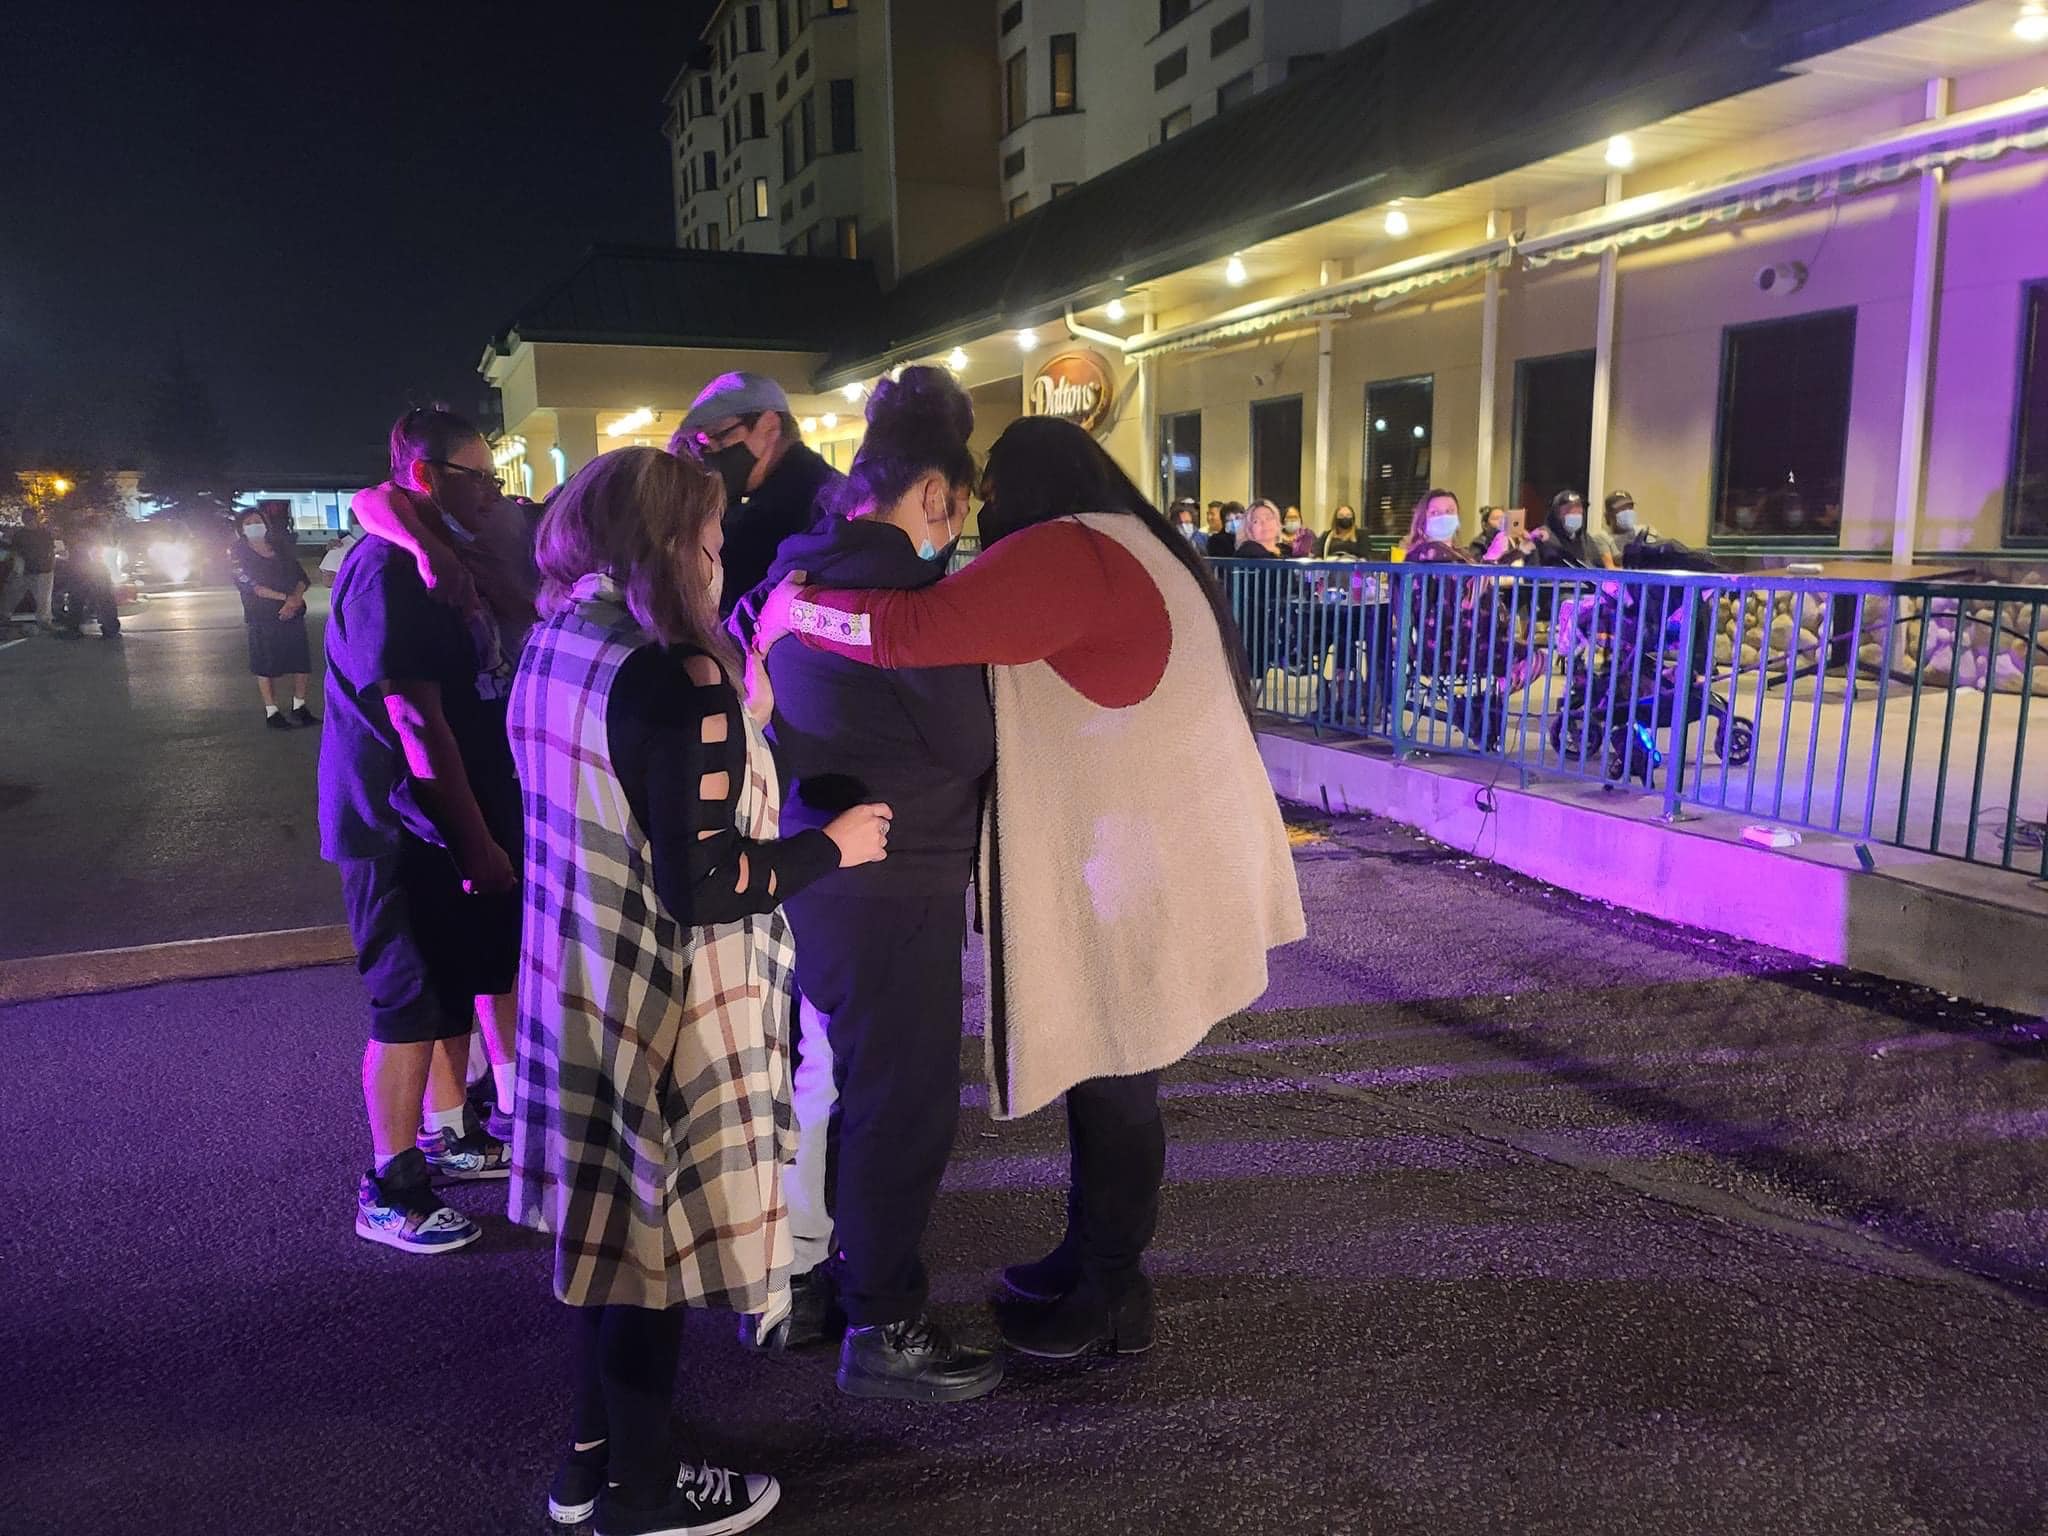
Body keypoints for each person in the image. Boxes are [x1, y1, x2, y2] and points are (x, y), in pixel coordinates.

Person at [753, 416, 1306, 1361]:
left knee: (1120, 1076)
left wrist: (792, 612)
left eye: (993, 493)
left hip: (1138, 858)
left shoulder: (1072, 552)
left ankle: (1110, 1290)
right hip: (1160, 845)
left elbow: (915, 629)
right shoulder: (1131, 540)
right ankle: (1091, 1257)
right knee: (1114, 1068)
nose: (980, 518)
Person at [510, 445, 888, 1536]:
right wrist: (836, 847)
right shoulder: (676, 679)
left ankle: (591, 1464)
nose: (722, 564)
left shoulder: (557, 642)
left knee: (606, 1243)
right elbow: (710, 881)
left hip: (573, 984)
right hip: (666, 1007)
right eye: (713, 544)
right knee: (653, 1265)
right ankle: (642, 1491)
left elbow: (633, 801)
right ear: (668, 549)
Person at [728, 366, 1002, 1403]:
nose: (958, 530)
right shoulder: (906, 596)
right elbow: (967, 740)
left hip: (815, 866)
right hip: (900, 880)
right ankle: (883, 1322)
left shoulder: (790, 580)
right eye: (960, 508)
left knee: (825, 1084)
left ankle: (796, 1282)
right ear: (932, 493)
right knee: (902, 1105)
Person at [319, 408, 521, 1258]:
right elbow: (411, 715)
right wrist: (475, 842)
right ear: (429, 477)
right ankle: (389, 1182)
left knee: (446, 983)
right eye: (477, 476)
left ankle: (447, 1131)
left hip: (439, 819)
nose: (492, 490)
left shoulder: (450, 549)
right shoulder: (389, 571)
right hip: (397, 825)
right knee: (404, 1003)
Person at [670, 372, 840, 616]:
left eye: (721, 436)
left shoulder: (776, 514)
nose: (712, 453)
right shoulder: (825, 487)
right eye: (706, 443)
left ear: (770, 426)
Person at [232, 505, 315, 728]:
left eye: (257, 521)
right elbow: (251, 585)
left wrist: (295, 599)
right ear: (241, 529)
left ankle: (300, 706)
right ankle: (272, 711)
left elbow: (301, 577)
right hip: (262, 616)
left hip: (293, 612)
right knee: (265, 664)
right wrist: (285, 599)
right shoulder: (238, 554)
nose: (253, 526)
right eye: (247, 523)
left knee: (300, 661)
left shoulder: (280, 548)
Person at [1529, 490, 1614, 569]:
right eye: (1568, 509)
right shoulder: (1542, 537)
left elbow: (1600, 570)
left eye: (1578, 507)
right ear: (1556, 513)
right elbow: (1531, 574)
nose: (1574, 512)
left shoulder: (1586, 540)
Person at [14, 512, 57, 628]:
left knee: (43, 597)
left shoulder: (41, 534)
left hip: (42, 569)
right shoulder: (24, 535)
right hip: (33, 569)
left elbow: (51, 550)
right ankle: (44, 620)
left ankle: (44, 621)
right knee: (42, 597)